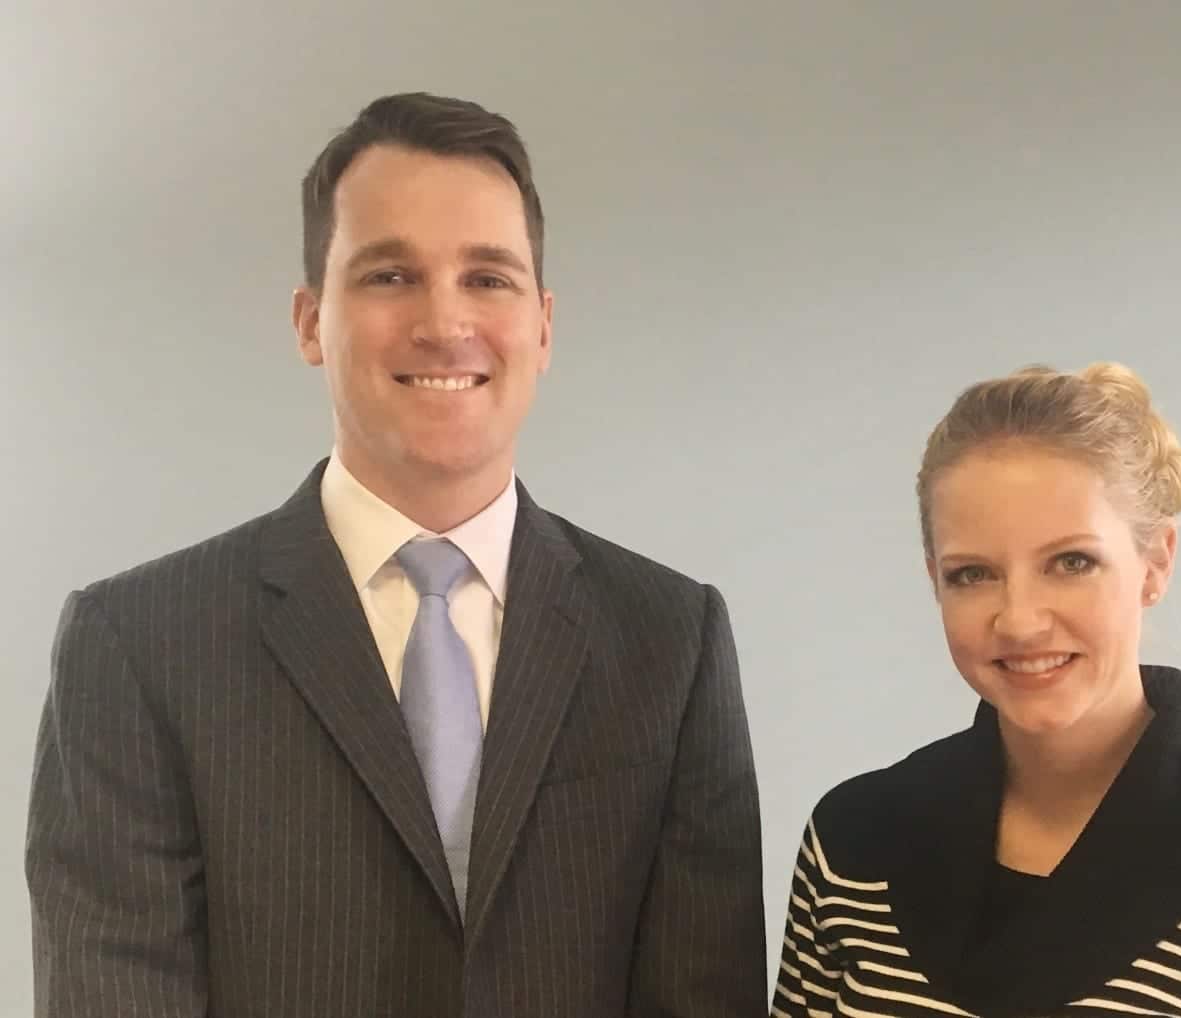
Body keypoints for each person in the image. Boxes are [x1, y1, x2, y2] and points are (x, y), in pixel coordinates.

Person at [27, 91, 767, 1017]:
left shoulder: (671, 640)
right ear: (308, 321)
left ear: (542, 324)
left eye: (487, 277)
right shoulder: (136, 644)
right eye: (388, 276)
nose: (442, 321)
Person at [772, 363, 1181, 1018]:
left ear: (1154, 564)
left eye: (1071, 562)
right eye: (973, 574)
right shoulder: (850, 844)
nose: (1018, 619)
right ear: (934, 580)